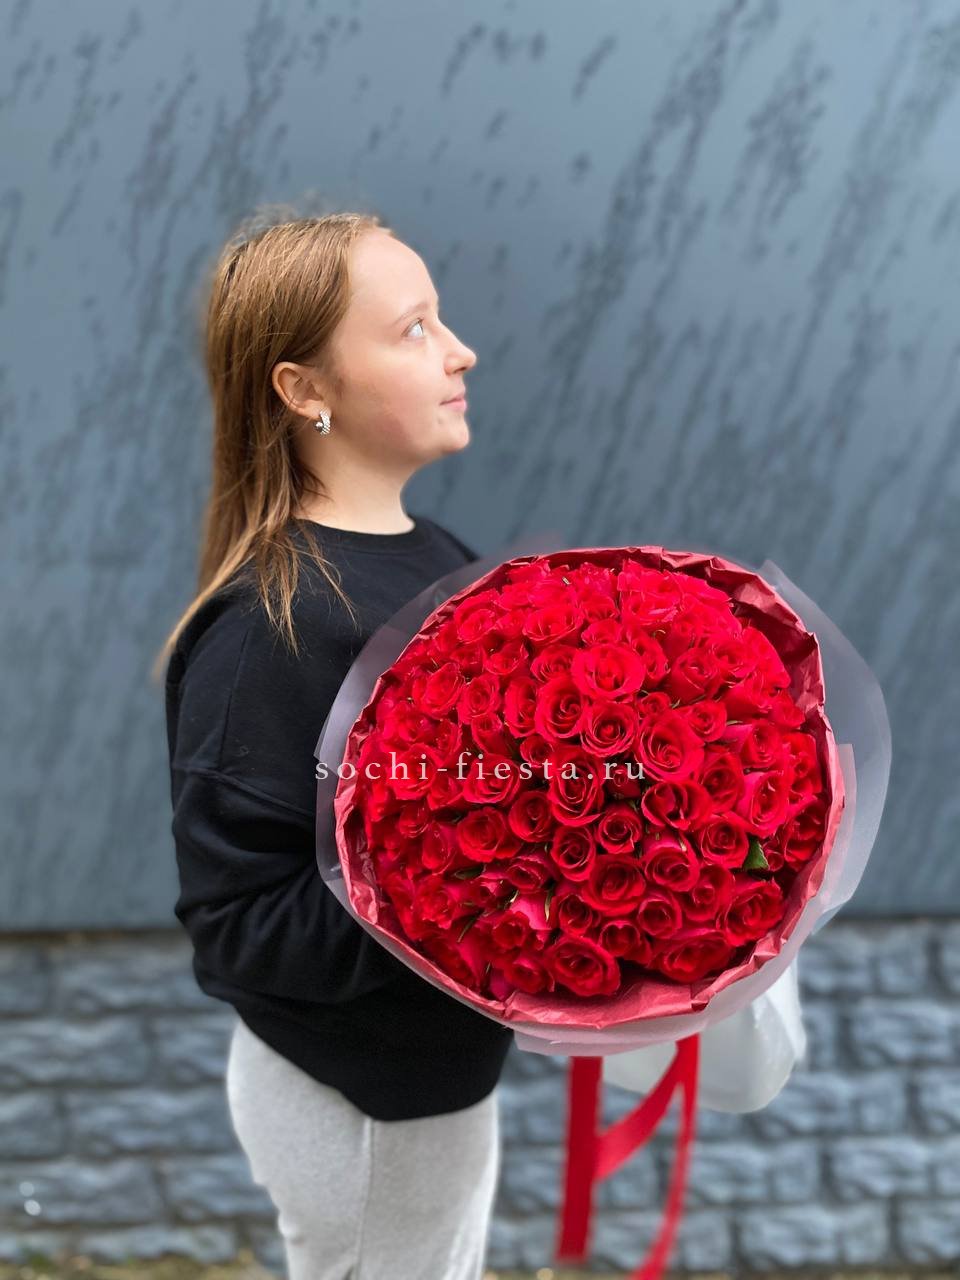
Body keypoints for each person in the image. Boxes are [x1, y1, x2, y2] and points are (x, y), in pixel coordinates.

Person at [155, 207, 514, 1280]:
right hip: (358, 1106)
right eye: (414, 329)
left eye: (441, 319)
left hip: (439, 1082)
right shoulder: (272, 624)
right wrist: (474, 882)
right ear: (304, 388)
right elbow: (237, 925)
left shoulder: (439, 555)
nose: (461, 351)